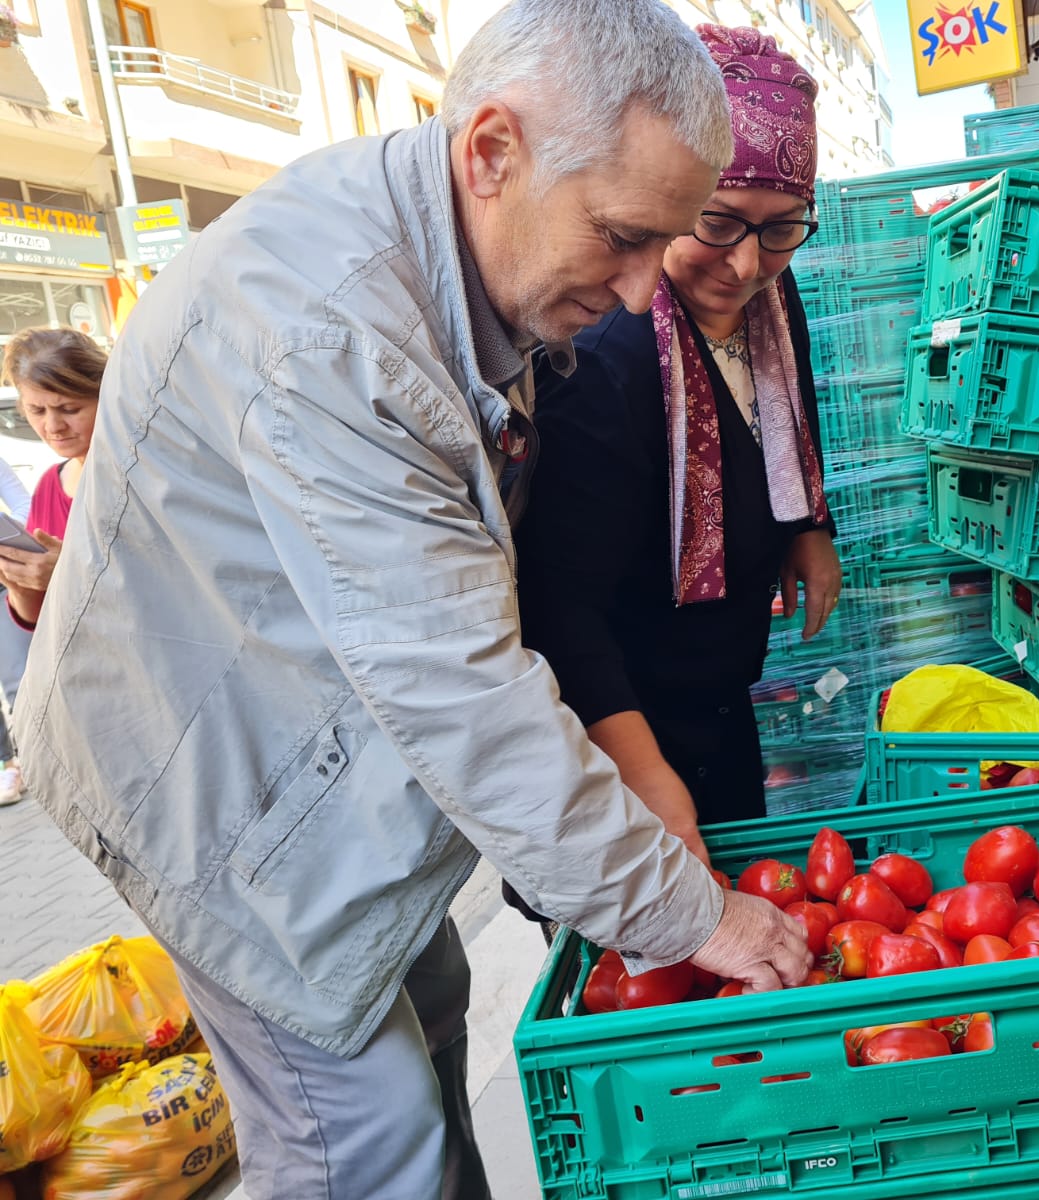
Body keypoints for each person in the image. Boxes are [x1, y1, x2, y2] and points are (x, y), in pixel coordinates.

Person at [11, 3, 809, 1198]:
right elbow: (458, 688)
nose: (648, 293)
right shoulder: (338, 334)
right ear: (492, 151)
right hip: (215, 793)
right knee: (365, 1141)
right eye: (623, 237)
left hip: (308, 757)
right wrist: (688, 913)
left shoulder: (459, 253)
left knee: (427, 1019)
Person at [515, 25, 842, 859]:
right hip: (625, 718)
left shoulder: (773, 287)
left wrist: (810, 525)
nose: (744, 266)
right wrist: (642, 776)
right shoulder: (600, 360)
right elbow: (560, 603)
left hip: (723, 687)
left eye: (782, 228)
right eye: (718, 221)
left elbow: (790, 408)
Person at [0, 329, 100, 806]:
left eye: (69, 409)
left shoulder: (138, 472)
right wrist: (19, 579)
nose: (52, 427)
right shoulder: (49, 485)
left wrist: (70, 572)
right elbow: (35, 618)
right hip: (91, 697)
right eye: (37, 411)